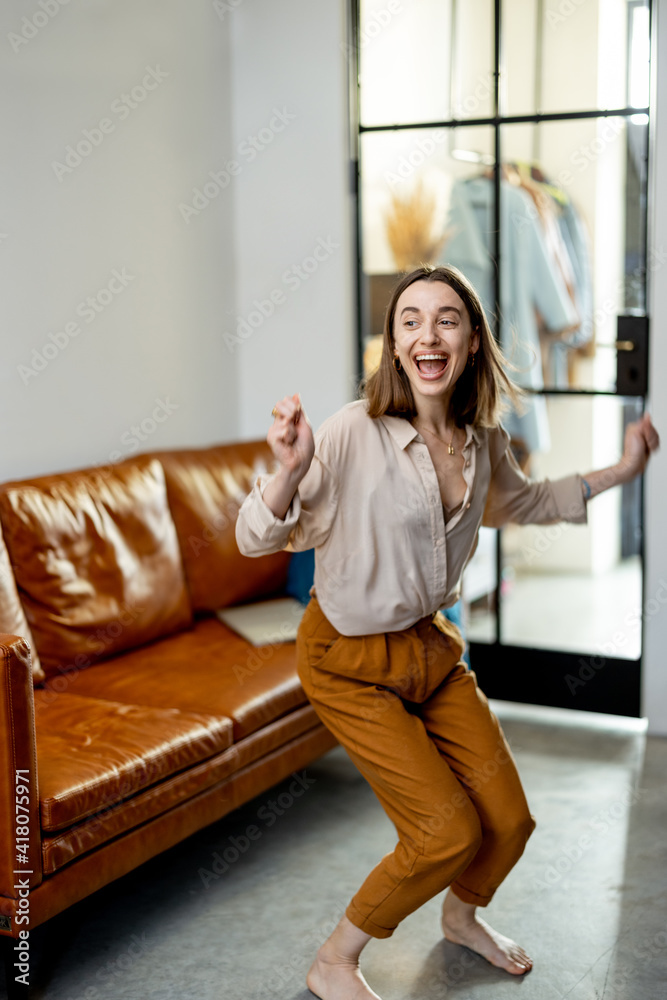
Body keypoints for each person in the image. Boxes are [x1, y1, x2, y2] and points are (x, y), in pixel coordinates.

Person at [235, 264, 659, 1000]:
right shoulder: (350, 433)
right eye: (408, 320)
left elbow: (528, 502)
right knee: (444, 831)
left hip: (430, 650)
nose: (426, 333)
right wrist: (288, 471)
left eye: (445, 319)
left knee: (508, 819)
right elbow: (256, 535)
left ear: (469, 342)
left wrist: (623, 469)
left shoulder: (480, 438)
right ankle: (334, 957)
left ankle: (460, 917)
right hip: (348, 661)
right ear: (394, 345)